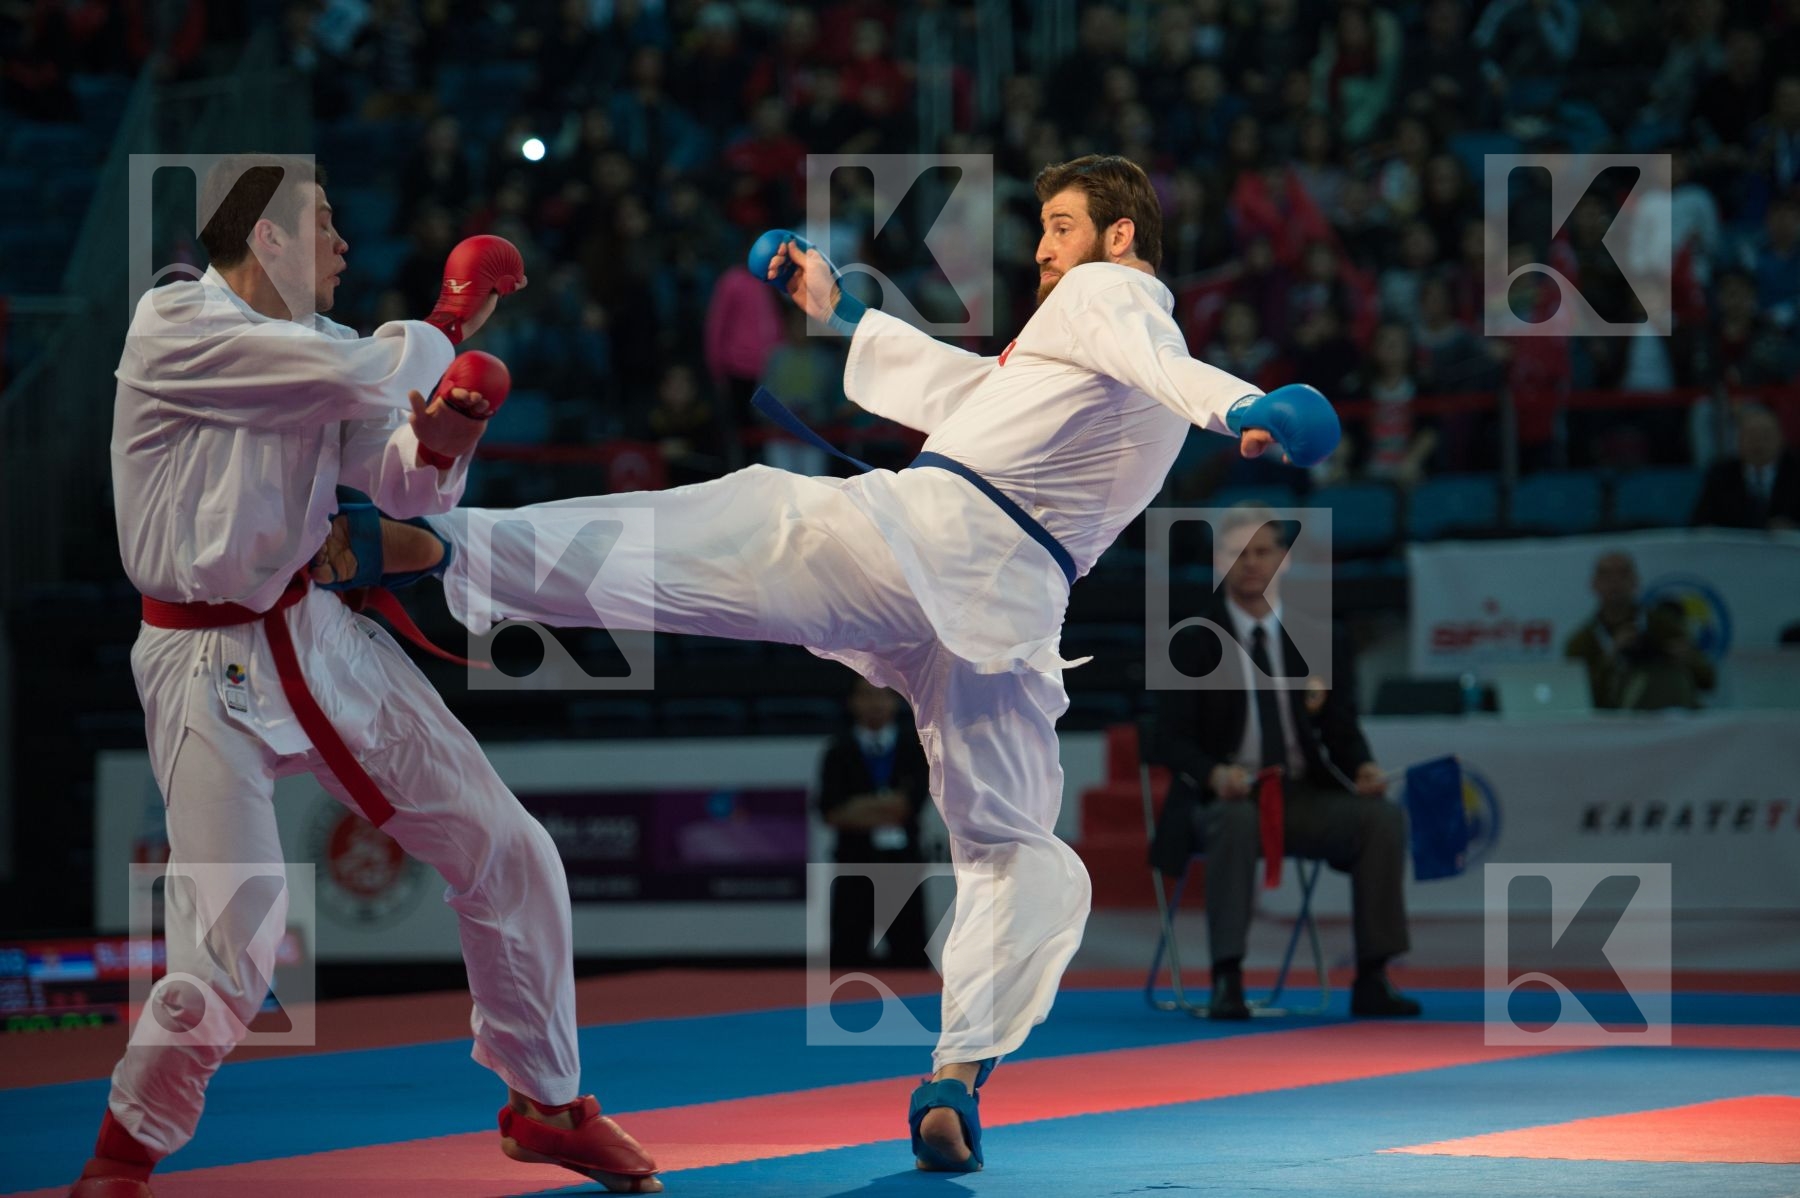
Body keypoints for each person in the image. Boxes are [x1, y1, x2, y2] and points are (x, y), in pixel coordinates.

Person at [377, 154, 1341, 1173]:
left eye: (1061, 226)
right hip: (1008, 619)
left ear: (1117, 236)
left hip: (923, 542)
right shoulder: (1072, 353)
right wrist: (839, 308)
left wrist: (1243, 407)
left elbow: (1156, 354)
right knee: (1008, 842)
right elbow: (968, 389)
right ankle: (957, 1077)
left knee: (732, 524)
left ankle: (440, 547)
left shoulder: (1116, 294)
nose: (1043, 248)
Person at [77, 156, 663, 1197]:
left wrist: (451, 426)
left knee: (510, 848)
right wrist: (448, 318)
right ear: (265, 239)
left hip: (312, 631)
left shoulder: (335, 345)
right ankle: (123, 1158)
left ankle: (547, 1102)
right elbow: (361, 383)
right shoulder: (174, 324)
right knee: (236, 948)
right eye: (325, 225)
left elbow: (396, 477)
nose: (345, 244)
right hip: (200, 658)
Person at [1146, 507, 1419, 1021]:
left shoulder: (1322, 637)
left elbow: (1341, 728)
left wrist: (1362, 767)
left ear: (1284, 561)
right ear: (1217, 563)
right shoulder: (1191, 639)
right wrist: (1212, 773)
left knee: (1380, 818)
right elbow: (1168, 739)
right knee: (1237, 817)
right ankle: (1228, 978)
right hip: (1223, 798)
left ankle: (1374, 977)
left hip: (1298, 796)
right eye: (1237, 553)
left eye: (1263, 551)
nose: (1251, 563)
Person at [818, 677, 933, 969]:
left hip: (903, 866)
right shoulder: (837, 751)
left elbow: (907, 808)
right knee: (847, 952)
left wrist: (859, 805)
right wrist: (884, 804)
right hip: (854, 864)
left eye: (881, 696)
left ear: (894, 702)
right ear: (853, 702)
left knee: (910, 952)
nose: (874, 704)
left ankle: (914, 1012)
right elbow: (832, 813)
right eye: (866, 696)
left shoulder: (914, 748)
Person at [1564, 551, 1717, 710]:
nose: (1615, 582)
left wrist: (1688, 658)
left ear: (1635, 581)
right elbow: (1578, 701)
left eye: (1623, 574)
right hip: (1617, 726)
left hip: (1669, 717)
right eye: (1606, 575)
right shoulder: (1581, 642)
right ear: (1594, 584)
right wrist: (1611, 656)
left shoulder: (1664, 625)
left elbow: (1708, 682)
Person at [1692, 403, 1800, 529]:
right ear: (1738, 440)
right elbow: (1699, 523)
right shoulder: (1721, 475)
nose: (1758, 442)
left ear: (1781, 439)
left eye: (1766, 436)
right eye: (1752, 436)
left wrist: (1794, 528)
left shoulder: (1796, 471)